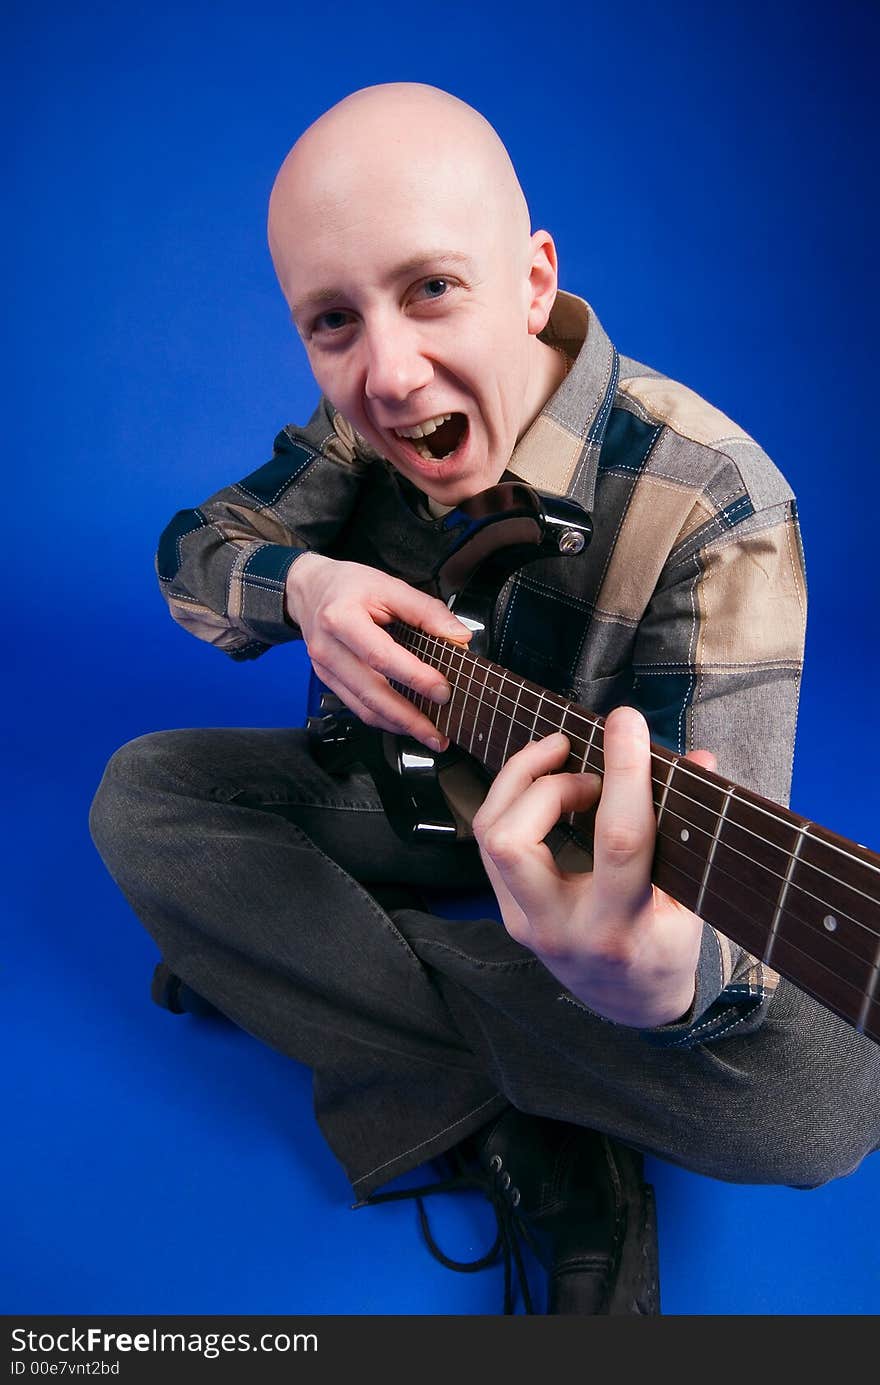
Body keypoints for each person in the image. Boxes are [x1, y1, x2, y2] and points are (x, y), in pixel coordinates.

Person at [89, 83, 880, 1315]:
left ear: (530, 278)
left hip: (572, 887)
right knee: (143, 796)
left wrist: (658, 981)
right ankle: (559, 1127)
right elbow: (194, 554)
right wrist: (300, 586)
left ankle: (304, 972)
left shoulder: (717, 506)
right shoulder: (362, 416)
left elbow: (716, 915)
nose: (389, 374)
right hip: (388, 794)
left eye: (431, 289)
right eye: (331, 322)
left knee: (820, 1108)